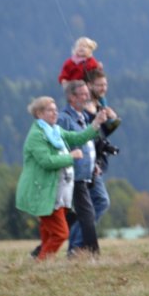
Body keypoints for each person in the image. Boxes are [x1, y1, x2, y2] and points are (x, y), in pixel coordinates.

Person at [15, 96, 107, 260]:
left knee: (48, 230)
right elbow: (47, 161)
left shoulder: (55, 131)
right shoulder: (37, 135)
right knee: (60, 233)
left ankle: (37, 260)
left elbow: (78, 138)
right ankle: (41, 262)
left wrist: (96, 123)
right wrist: (71, 157)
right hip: (43, 192)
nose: (55, 113)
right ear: (39, 113)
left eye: (56, 109)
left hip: (57, 192)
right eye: (50, 110)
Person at [66, 69, 121, 252]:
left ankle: (76, 245)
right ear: (89, 86)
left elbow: (103, 134)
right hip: (86, 165)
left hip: (95, 163)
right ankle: (76, 245)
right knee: (98, 203)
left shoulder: (98, 107)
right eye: (99, 85)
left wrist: (113, 120)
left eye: (105, 84)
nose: (103, 88)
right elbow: (85, 137)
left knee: (89, 208)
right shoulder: (83, 112)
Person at [57, 80, 103, 256]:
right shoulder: (64, 118)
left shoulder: (81, 115)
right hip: (71, 175)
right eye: (83, 94)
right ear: (71, 97)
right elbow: (62, 143)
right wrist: (97, 123)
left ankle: (79, 250)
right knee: (86, 214)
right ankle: (91, 253)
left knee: (80, 214)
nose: (87, 97)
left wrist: (93, 166)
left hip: (84, 174)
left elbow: (86, 143)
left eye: (87, 93)